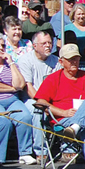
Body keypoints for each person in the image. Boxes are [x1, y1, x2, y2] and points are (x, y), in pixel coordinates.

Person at [33, 44, 85, 169]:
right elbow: (40, 102)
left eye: (76, 59)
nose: (74, 62)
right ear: (61, 62)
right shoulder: (53, 79)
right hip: (63, 120)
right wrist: (63, 112)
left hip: (75, 124)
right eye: (70, 59)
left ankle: (76, 127)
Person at [0, 32, 35, 166]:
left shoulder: (9, 63)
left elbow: (19, 85)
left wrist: (11, 62)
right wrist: (11, 88)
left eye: (3, 45)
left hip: (12, 99)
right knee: (5, 121)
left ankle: (25, 153)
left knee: (25, 117)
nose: (1, 48)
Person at [17, 31, 59, 161]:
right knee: (37, 110)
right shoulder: (26, 60)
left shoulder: (56, 61)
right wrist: (44, 104)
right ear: (35, 45)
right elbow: (28, 88)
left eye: (50, 43)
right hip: (31, 99)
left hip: (53, 99)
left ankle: (69, 150)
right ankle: (41, 151)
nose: (48, 46)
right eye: (44, 43)